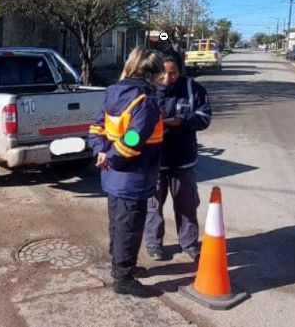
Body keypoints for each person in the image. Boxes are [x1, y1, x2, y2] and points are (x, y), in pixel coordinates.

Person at [88, 47, 164, 296]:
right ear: (151, 74)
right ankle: (123, 278)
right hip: (132, 177)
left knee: (118, 226)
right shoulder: (146, 101)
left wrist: (101, 152)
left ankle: (121, 266)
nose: (163, 78)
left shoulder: (114, 92)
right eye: (160, 73)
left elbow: (97, 126)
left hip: (112, 176)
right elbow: (132, 139)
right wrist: (111, 157)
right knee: (129, 228)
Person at [144, 56, 211, 262]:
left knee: (186, 205)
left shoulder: (193, 89)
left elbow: (205, 117)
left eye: (172, 73)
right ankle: (154, 244)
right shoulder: (147, 90)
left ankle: (189, 244)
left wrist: (182, 120)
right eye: (162, 73)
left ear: (179, 72)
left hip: (183, 159)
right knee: (153, 206)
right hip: (154, 160)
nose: (166, 78)